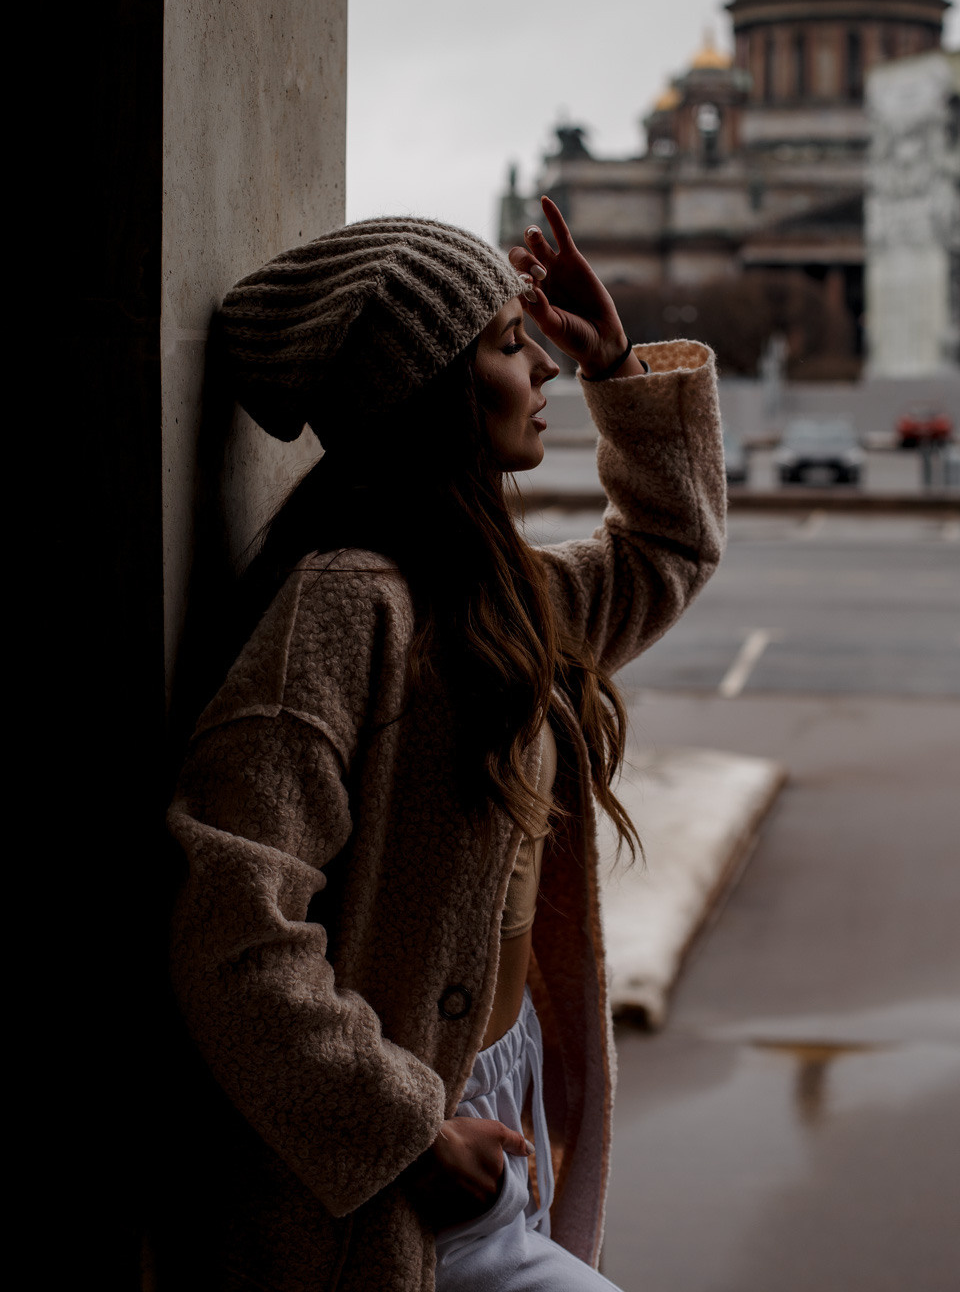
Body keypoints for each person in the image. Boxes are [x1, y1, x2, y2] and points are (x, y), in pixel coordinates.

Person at [168, 199, 726, 1292]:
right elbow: (229, 923)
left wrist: (615, 364)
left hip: (493, 1109)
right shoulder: (345, 607)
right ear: (429, 393)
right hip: (398, 1159)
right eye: (511, 346)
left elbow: (667, 549)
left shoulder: (495, 599)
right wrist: (408, 1135)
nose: (543, 371)